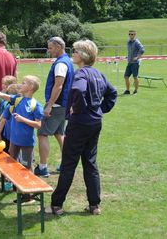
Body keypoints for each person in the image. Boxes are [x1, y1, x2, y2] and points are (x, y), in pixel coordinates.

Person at [50, 40, 117, 216]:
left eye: (75, 51)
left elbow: (79, 91)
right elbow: (112, 93)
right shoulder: (98, 74)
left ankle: (56, 205)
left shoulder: (81, 74)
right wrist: (100, 110)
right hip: (95, 123)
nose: (73, 53)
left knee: (69, 163)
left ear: (83, 55)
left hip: (80, 124)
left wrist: (77, 110)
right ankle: (94, 205)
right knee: (90, 163)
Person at [0, 75, 43, 204]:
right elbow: (1, 95)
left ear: (30, 88)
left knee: (27, 167)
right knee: (12, 165)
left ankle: (29, 193)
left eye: (23, 83)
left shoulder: (36, 105)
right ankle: (18, 188)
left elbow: (38, 125)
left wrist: (22, 119)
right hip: (14, 141)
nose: (21, 85)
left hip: (27, 143)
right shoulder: (17, 100)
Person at [34, 37, 74, 178]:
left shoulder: (61, 64)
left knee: (42, 133)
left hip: (56, 105)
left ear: (58, 46)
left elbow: (58, 85)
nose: (48, 51)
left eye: (50, 48)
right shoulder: (67, 60)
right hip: (63, 105)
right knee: (59, 133)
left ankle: (43, 167)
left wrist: (49, 105)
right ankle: (66, 164)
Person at [123, 30, 145, 95]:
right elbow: (131, 52)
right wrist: (128, 57)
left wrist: (137, 57)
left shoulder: (136, 42)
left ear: (135, 35)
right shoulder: (128, 42)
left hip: (135, 63)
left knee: (135, 77)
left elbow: (142, 49)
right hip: (129, 62)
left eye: (132, 34)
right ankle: (127, 90)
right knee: (126, 76)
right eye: (129, 34)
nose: (130, 35)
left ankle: (135, 91)